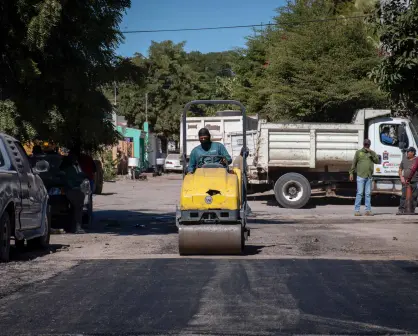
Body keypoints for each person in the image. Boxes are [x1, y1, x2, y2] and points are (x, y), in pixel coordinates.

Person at [349, 139, 380, 216]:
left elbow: (377, 161)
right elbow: (354, 163)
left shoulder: (372, 153)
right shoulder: (359, 153)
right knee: (359, 193)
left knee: (368, 194)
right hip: (360, 176)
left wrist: (371, 152)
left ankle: (368, 210)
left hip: (369, 176)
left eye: (368, 144)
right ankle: (357, 210)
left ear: (369, 145)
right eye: (366, 144)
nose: (367, 146)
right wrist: (351, 173)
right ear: (363, 144)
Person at [60, 153, 87, 233]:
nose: (75, 160)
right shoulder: (70, 169)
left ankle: (75, 228)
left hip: (69, 190)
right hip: (72, 190)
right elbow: (73, 180)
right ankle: (77, 228)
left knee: (75, 209)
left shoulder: (68, 168)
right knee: (78, 209)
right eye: (74, 159)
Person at [398, 147, 418, 214]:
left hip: (415, 181)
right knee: (403, 196)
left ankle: (412, 209)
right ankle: (401, 209)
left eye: (408, 152)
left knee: (414, 196)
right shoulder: (404, 160)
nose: (407, 153)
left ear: (413, 153)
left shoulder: (416, 160)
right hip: (405, 181)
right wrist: (401, 177)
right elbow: (400, 169)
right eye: (407, 152)